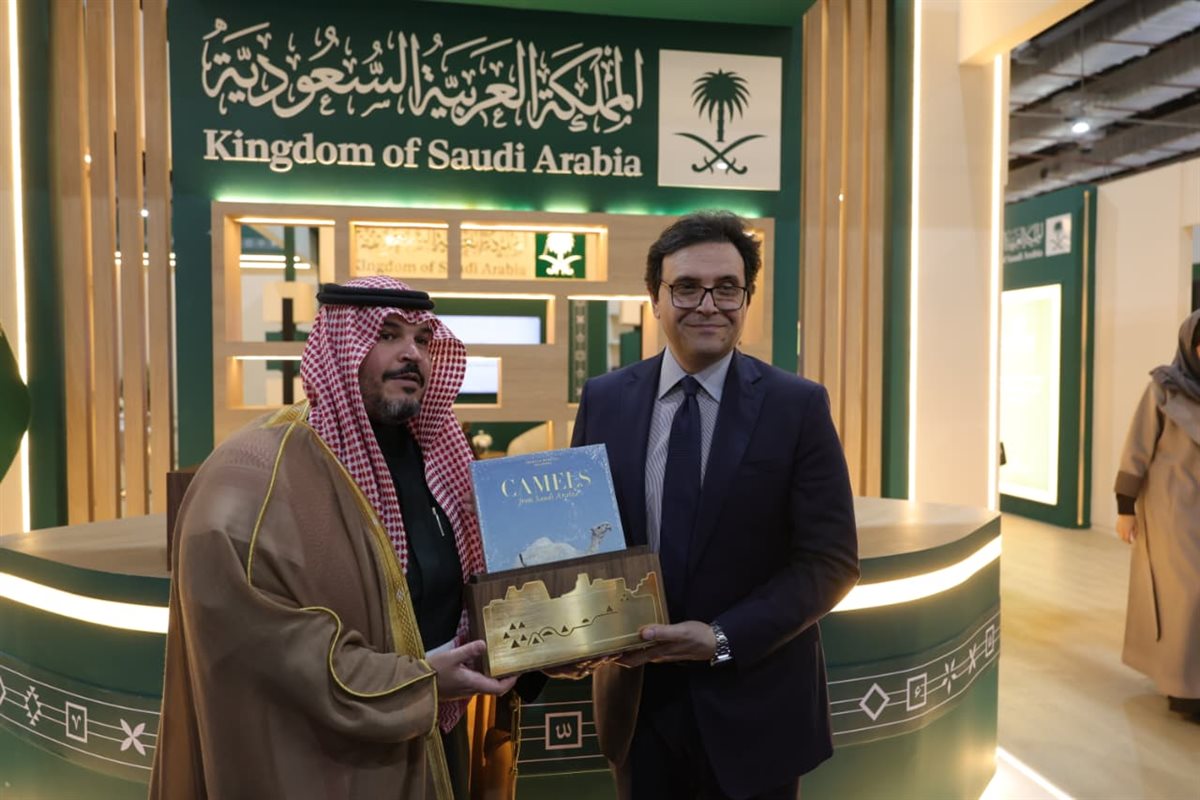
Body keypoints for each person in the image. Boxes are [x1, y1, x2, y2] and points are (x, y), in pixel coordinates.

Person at [150, 276, 516, 799]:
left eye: (422, 339)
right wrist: (419, 684)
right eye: (387, 335)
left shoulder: (440, 458)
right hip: (330, 764)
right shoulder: (254, 475)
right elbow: (264, 643)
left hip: (439, 735)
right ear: (341, 347)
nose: (411, 354)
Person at [569, 211, 860, 799]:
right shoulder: (605, 399)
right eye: (686, 287)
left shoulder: (797, 406)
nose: (708, 305)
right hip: (639, 706)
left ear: (746, 297)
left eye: (727, 288)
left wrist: (722, 638)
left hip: (756, 705)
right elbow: (584, 536)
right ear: (655, 297)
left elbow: (830, 562)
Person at [1115, 308, 1200, 719]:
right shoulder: (1163, 389)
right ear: (1190, 345)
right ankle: (1183, 688)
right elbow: (1136, 448)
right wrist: (1125, 508)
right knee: (1185, 594)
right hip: (1172, 512)